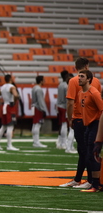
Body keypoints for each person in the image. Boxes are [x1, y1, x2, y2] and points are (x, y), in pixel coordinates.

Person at [59, 57, 101, 188]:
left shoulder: (75, 82)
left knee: (86, 152)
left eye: (82, 77)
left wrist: (70, 118)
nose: (79, 79)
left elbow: (71, 102)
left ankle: (91, 181)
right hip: (90, 120)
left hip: (83, 119)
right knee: (86, 151)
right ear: (87, 65)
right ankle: (81, 179)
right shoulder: (95, 84)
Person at [77, 70, 103, 192]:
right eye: (79, 76)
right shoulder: (80, 93)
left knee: (93, 155)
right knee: (88, 155)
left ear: (89, 79)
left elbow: (102, 109)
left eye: (82, 76)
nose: (79, 78)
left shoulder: (94, 93)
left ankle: (96, 184)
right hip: (87, 125)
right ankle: (93, 182)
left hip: (96, 124)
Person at [0, 74, 20, 151]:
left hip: (4, 106)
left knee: (3, 126)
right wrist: (14, 101)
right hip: (10, 107)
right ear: (11, 79)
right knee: (10, 126)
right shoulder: (11, 87)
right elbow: (15, 95)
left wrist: (1, 102)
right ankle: (9, 145)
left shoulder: (3, 87)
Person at [31, 75, 48, 148]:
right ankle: (36, 142)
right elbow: (40, 100)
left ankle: (35, 141)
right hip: (38, 108)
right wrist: (44, 109)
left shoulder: (34, 88)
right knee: (37, 125)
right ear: (41, 81)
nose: (44, 81)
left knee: (35, 124)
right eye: (43, 80)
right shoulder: (39, 89)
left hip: (34, 107)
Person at [56, 70, 69, 150]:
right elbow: (67, 98)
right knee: (64, 125)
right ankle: (64, 142)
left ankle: (60, 141)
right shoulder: (66, 86)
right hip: (64, 106)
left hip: (59, 105)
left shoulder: (60, 85)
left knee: (61, 124)